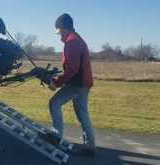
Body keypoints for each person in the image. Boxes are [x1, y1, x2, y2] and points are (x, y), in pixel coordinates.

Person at [47, 13, 96, 156]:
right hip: (84, 83)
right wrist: (60, 78)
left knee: (54, 103)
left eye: (59, 30)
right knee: (82, 114)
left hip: (77, 84)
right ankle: (90, 147)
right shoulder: (76, 39)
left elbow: (72, 69)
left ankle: (56, 136)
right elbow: (72, 67)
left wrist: (56, 83)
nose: (58, 34)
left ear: (63, 28)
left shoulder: (72, 42)